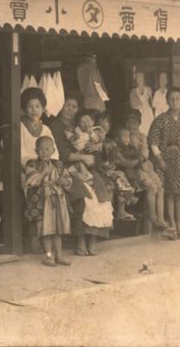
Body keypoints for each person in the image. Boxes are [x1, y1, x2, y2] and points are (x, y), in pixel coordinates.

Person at [49, 97, 112, 256]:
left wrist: (96, 147)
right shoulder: (56, 126)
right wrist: (83, 157)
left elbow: (94, 149)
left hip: (88, 168)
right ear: (61, 106)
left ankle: (93, 239)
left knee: (101, 195)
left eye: (74, 106)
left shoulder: (80, 125)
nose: (70, 109)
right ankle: (81, 239)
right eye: (67, 105)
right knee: (83, 196)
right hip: (66, 168)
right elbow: (61, 153)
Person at [148, 88, 180, 240]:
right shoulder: (160, 120)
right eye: (171, 98)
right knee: (169, 193)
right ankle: (171, 226)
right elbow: (153, 142)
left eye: (178, 98)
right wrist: (160, 160)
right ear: (167, 101)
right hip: (166, 162)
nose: (174, 101)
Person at [24, 136, 72, 267]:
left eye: (47, 149)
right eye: (41, 150)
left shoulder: (58, 165)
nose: (44, 152)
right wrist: (43, 173)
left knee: (57, 229)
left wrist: (63, 182)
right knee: (45, 230)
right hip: (41, 201)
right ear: (36, 151)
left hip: (57, 200)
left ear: (53, 150)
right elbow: (31, 181)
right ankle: (49, 256)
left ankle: (59, 256)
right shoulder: (31, 164)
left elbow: (68, 179)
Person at [20, 87, 58, 253]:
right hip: (28, 169)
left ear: (43, 109)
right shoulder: (20, 128)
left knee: (54, 192)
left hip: (47, 168)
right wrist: (34, 169)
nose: (34, 109)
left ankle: (50, 239)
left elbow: (54, 153)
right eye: (30, 106)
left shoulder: (46, 130)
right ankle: (34, 238)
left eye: (37, 106)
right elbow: (20, 155)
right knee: (36, 194)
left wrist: (47, 168)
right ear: (24, 109)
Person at [125, 110, 168, 229]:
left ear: (139, 124)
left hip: (145, 166)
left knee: (160, 188)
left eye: (134, 123)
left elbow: (145, 152)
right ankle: (153, 217)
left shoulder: (142, 136)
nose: (132, 126)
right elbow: (126, 154)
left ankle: (161, 219)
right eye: (129, 123)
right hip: (134, 169)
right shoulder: (124, 136)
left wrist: (141, 157)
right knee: (152, 187)